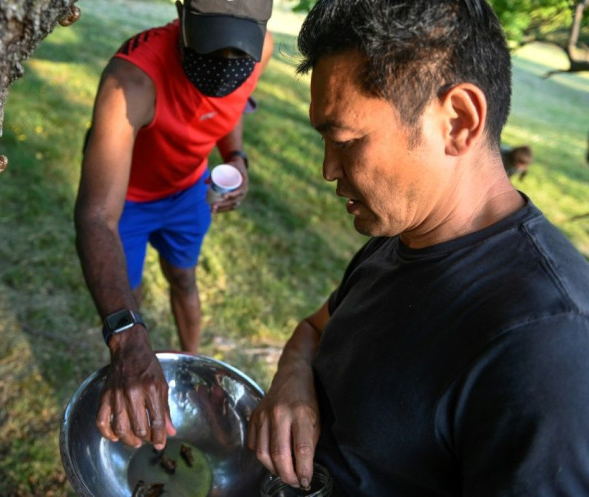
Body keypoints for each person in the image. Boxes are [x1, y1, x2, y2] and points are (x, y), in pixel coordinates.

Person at [247, 1, 589, 495]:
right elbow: (314, 329)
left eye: (344, 140)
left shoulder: (546, 343)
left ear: (458, 121)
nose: (328, 170)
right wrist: (292, 379)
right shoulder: (401, 237)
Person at [74, 0, 273, 450]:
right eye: (211, 50)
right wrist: (126, 336)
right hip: (127, 205)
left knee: (184, 278)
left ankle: (195, 366)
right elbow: (95, 216)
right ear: (181, 12)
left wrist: (235, 157)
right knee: (133, 298)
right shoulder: (131, 80)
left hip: (188, 193)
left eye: (237, 55)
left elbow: (232, 104)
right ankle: (130, 388)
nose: (226, 67)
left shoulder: (259, 49)